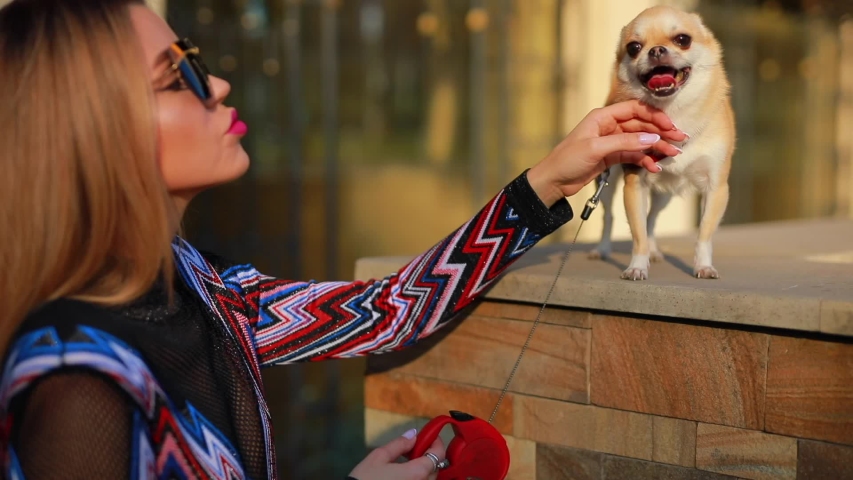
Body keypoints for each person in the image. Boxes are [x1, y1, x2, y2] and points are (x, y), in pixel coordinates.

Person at [0, 0, 686, 479]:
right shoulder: (75, 376)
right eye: (175, 75)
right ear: (96, 132)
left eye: (195, 60)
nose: (216, 83)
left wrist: (549, 178)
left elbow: (386, 313)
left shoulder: (195, 287)